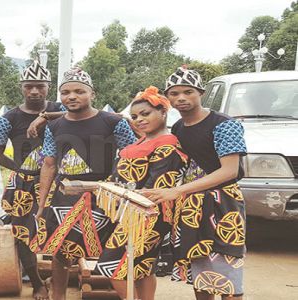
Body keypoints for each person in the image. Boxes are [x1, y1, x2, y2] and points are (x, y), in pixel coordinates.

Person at [141, 67, 247, 300]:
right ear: (167, 98)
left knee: (227, 267)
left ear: (201, 93)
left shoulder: (224, 124)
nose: (181, 98)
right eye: (174, 93)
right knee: (200, 270)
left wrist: (176, 191)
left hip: (223, 204)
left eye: (188, 92)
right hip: (190, 206)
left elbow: (229, 171)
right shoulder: (178, 128)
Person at [35, 67, 137, 300]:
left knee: (112, 250)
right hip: (64, 199)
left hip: (106, 198)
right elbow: (49, 164)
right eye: (66, 92)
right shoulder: (54, 127)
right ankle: (58, 296)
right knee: (61, 252)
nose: (72, 96)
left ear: (93, 94)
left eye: (79, 91)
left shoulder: (113, 122)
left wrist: (126, 193)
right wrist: (42, 204)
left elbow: (132, 157)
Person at [95, 86, 188, 300]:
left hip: (148, 214)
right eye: (135, 116)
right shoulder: (142, 141)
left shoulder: (167, 146)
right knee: (144, 266)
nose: (139, 120)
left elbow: (156, 188)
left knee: (112, 266)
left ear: (163, 112)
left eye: (146, 114)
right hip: (132, 211)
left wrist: (117, 192)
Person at [0, 60, 65, 300]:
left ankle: (59, 278)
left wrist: (47, 116)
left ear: (48, 87)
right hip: (24, 185)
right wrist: (22, 170)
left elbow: (87, 114)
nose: (34, 91)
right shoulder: (8, 118)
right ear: (21, 87)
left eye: (40, 86)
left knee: (61, 231)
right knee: (23, 233)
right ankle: (37, 283)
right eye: (29, 86)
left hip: (59, 182)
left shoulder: (63, 108)